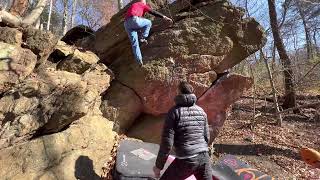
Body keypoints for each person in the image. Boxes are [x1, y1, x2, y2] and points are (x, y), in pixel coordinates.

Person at [153, 81, 213, 180]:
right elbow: (206, 137)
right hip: (204, 158)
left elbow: (167, 143)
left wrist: (158, 167)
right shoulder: (201, 111)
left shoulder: (174, 112)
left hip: (186, 160)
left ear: (178, 92)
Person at [124, 0, 173, 66]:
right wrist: (164, 17)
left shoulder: (134, 5)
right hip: (134, 20)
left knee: (134, 43)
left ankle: (139, 60)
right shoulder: (142, 4)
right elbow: (152, 12)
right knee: (149, 22)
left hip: (126, 24)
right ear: (143, 2)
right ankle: (143, 37)